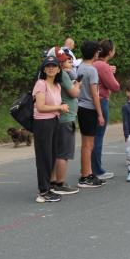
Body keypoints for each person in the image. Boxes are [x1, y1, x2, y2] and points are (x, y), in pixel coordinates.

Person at [31, 55, 68, 203]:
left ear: (59, 69)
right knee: (44, 157)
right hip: (42, 123)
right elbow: (40, 107)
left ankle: (48, 188)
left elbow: (54, 106)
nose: (51, 68)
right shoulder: (41, 84)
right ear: (44, 69)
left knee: (52, 155)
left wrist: (60, 108)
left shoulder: (57, 86)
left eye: (54, 66)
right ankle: (43, 191)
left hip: (54, 121)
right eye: (48, 66)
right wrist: (59, 107)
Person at [50, 49, 81, 195]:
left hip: (53, 117)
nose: (62, 63)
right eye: (60, 60)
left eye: (63, 60)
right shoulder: (61, 74)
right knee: (63, 153)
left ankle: (51, 181)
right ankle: (60, 183)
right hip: (65, 117)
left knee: (54, 151)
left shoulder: (44, 74)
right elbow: (74, 93)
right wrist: (78, 84)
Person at [75, 41, 105, 188]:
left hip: (81, 107)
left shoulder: (80, 67)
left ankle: (86, 172)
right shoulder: (92, 70)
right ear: (94, 53)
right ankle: (85, 177)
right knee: (88, 144)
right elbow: (94, 94)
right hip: (89, 108)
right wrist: (100, 114)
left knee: (86, 143)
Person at [92, 39, 121, 180]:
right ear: (110, 52)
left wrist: (109, 70)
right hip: (101, 101)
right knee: (98, 137)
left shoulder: (94, 63)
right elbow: (115, 86)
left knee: (91, 137)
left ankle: (88, 169)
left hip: (90, 102)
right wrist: (110, 73)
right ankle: (97, 170)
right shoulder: (102, 66)